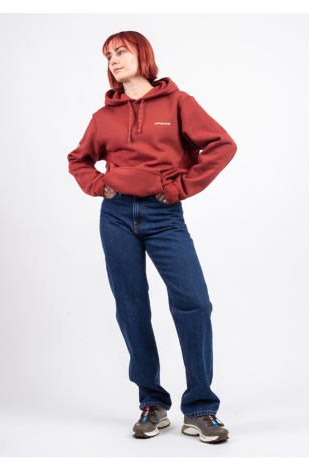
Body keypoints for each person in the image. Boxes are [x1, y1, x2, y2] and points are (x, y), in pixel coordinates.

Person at [67, 31, 237, 444]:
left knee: (194, 302)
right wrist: (99, 185)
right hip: (116, 216)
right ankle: (152, 403)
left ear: (142, 55)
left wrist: (180, 188)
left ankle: (200, 408)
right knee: (131, 308)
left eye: (120, 51)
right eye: (108, 55)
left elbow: (222, 145)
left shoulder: (178, 103)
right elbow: (79, 159)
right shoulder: (103, 116)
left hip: (164, 215)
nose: (113, 60)